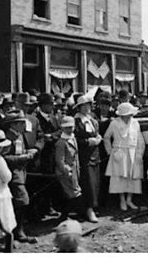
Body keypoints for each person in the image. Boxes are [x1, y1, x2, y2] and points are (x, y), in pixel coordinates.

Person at [1, 110, 38, 243]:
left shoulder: (20, 136)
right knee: (23, 201)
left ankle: (16, 230)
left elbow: (19, 151)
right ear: (14, 124)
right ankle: (18, 232)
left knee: (19, 203)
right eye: (21, 123)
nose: (24, 125)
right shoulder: (7, 137)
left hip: (21, 173)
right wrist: (22, 158)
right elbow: (3, 158)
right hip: (11, 175)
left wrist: (28, 152)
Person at [104, 102, 146, 211]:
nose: (130, 116)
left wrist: (140, 153)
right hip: (119, 152)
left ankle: (129, 199)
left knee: (133, 177)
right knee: (119, 177)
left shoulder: (135, 123)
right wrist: (110, 152)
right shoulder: (114, 123)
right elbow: (106, 137)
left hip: (132, 151)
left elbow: (140, 139)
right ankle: (122, 200)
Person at [74, 95, 102, 223]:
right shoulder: (76, 121)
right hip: (84, 156)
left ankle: (94, 206)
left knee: (95, 182)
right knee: (87, 183)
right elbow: (74, 139)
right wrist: (87, 142)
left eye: (88, 105)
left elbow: (96, 133)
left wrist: (98, 138)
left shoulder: (92, 119)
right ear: (79, 107)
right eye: (84, 106)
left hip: (95, 154)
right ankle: (88, 209)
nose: (87, 108)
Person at [54, 116, 84, 220]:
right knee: (72, 193)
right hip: (65, 172)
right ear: (62, 128)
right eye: (67, 128)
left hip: (75, 170)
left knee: (72, 192)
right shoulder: (61, 143)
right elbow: (60, 161)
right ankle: (70, 214)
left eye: (71, 127)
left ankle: (68, 214)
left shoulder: (73, 138)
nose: (70, 129)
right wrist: (68, 171)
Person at [93, 91, 114, 207]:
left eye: (106, 106)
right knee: (99, 175)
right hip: (97, 148)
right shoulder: (94, 115)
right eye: (102, 106)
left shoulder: (113, 115)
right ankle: (99, 200)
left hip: (110, 147)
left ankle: (109, 199)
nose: (104, 108)